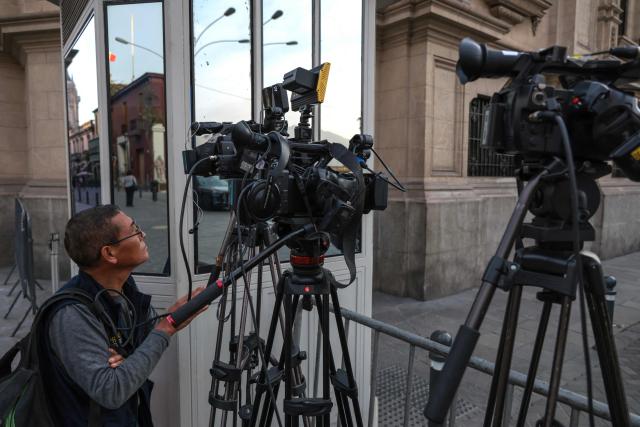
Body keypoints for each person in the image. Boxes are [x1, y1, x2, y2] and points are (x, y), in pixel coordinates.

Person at [40, 205, 206, 426]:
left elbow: (138, 354)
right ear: (109, 253)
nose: (143, 234)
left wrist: (171, 318)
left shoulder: (125, 288)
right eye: (135, 230)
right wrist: (166, 328)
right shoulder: (71, 313)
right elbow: (112, 390)